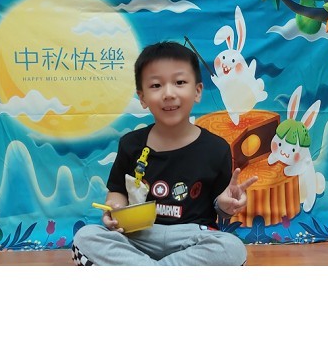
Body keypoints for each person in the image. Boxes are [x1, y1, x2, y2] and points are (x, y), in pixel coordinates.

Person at [71, 41, 258, 265]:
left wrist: (227, 206)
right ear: (142, 97)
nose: (168, 93)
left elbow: (220, 208)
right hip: (139, 237)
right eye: (156, 85)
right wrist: (114, 209)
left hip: (193, 237)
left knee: (232, 249)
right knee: (85, 237)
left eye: (180, 82)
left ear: (197, 91)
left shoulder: (216, 148)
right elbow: (117, 192)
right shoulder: (131, 144)